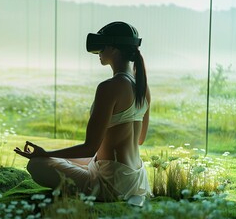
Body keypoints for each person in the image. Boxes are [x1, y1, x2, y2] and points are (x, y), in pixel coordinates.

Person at [14, 21, 151, 206]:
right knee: (59, 159)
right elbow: (139, 140)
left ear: (114, 49)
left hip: (111, 183)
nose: (98, 52)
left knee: (37, 164)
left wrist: (45, 153)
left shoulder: (109, 87)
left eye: (102, 46)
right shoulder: (142, 87)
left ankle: (101, 194)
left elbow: (89, 147)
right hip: (136, 178)